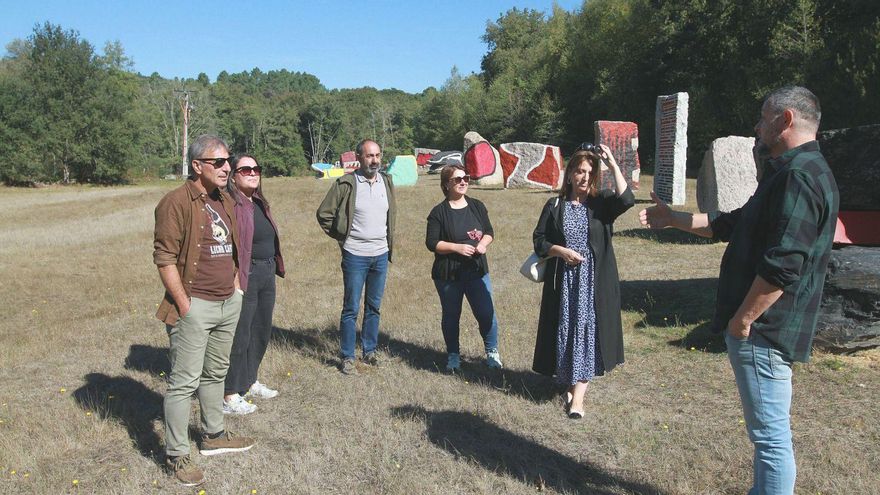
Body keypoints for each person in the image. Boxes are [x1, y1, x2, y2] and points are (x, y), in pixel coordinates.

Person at [639, 86, 838, 494]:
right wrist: (671, 218)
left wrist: (743, 320)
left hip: (764, 329)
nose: (757, 126)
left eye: (764, 118)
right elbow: (731, 223)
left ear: (785, 119)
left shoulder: (799, 177)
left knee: (770, 440)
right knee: (770, 435)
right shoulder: (791, 171)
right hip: (763, 327)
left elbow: (785, 264)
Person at [153, 135, 255, 486]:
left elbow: (234, 248)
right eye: (219, 163)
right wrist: (184, 304)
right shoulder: (175, 203)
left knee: (216, 373)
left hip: (228, 300)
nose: (228, 168)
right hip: (195, 306)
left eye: (228, 162)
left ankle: (214, 435)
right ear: (197, 166)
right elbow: (164, 257)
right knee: (183, 383)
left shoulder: (224, 198)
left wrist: (237, 289)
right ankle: (178, 455)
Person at [532, 144, 634, 419]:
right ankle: (569, 379)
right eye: (579, 171)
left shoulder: (600, 205)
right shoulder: (555, 206)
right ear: (570, 175)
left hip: (592, 283)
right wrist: (560, 251)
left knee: (587, 334)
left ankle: (577, 400)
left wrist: (612, 162)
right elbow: (539, 240)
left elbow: (627, 200)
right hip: (564, 283)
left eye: (589, 172)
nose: (584, 177)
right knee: (566, 331)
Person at [316, 139, 396, 375]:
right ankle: (348, 356)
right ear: (359, 158)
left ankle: (369, 350)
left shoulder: (387, 182)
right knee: (351, 308)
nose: (375, 160)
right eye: (370, 156)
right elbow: (324, 214)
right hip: (355, 255)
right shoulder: (346, 184)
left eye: (378, 155)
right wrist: (342, 238)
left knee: (374, 306)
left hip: (381, 254)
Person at [222, 154, 286, 414]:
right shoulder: (230, 204)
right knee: (241, 334)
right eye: (245, 169)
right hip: (245, 274)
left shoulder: (258, 201)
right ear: (234, 176)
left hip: (266, 271)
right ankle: (229, 393)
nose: (252, 173)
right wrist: (235, 277)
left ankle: (249, 381)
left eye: (256, 168)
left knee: (260, 330)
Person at [425, 165, 503, 372]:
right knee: (451, 315)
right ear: (446, 184)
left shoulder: (477, 206)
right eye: (458, 179)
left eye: (466, 178)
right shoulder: (438, 213)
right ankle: (453, 356)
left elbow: (489, 231)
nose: (463, 182)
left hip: (477, 270)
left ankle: (492, 353)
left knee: (486, 313)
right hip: (448, 274)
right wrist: (456, 247)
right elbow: (432, 243)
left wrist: (484, 244)